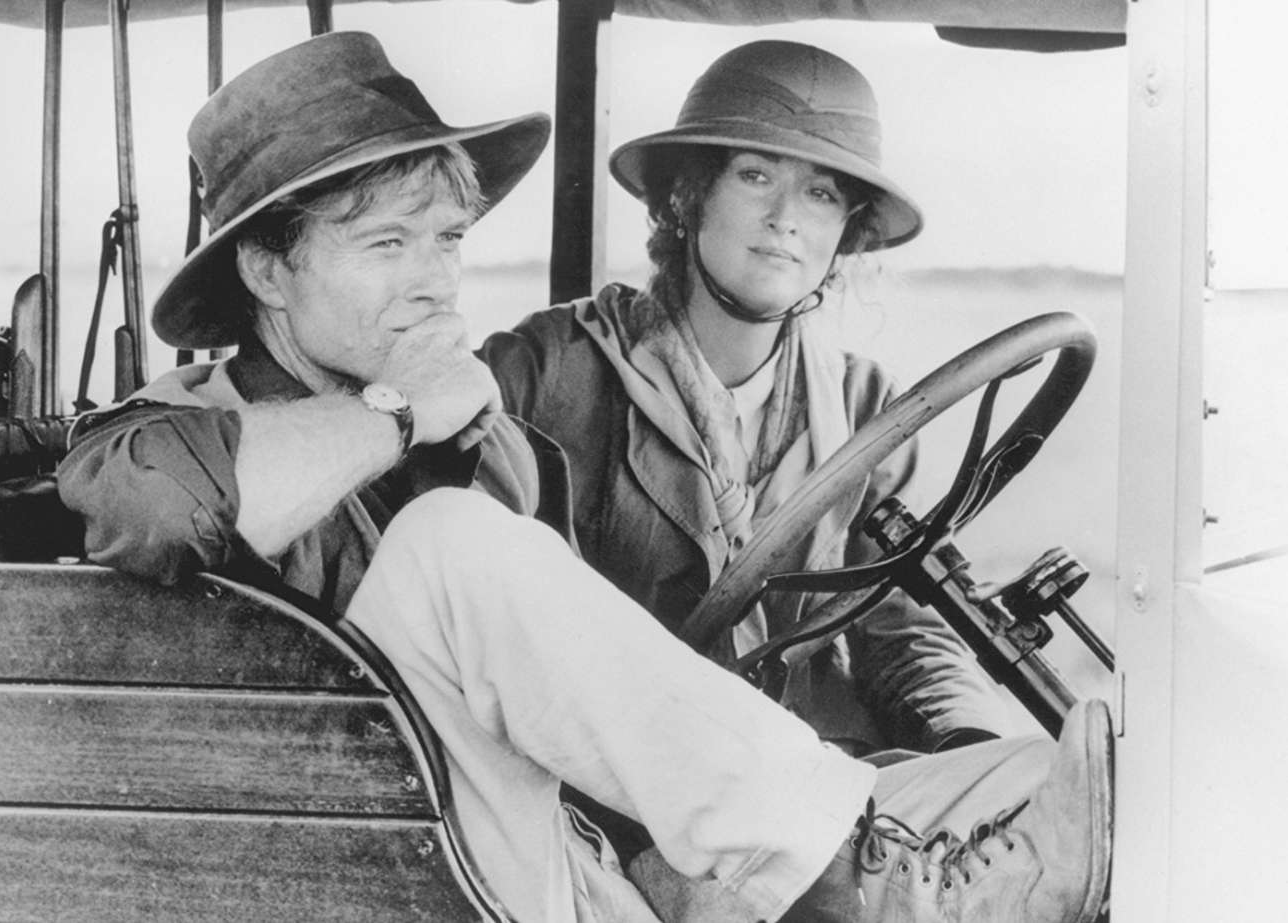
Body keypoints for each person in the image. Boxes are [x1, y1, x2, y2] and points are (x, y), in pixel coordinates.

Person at [58, 32, 1113, 923]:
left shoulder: (495, 447)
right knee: (447, 544)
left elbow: (580, 701)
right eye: (386, 244)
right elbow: (155, 507)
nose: (434, 283)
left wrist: (666, 867)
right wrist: (398, 410)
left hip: (578, 854)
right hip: (372, 867)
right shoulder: (177, 421)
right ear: (267, 269)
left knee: (1083, 785)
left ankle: (888, 869)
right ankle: (865, 883)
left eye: (447, 240)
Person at [479, 38, 1014, 875]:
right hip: (603, 820)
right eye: (756, 176)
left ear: (846, 232)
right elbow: (475, 608)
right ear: (688, 195)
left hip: (816, 804)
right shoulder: (549, 372)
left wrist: (971, 748)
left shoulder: (869, 410)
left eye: (821, 192)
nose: (786, 217)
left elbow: (906, 628)